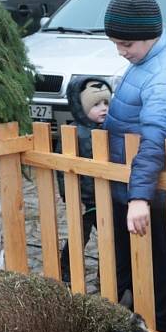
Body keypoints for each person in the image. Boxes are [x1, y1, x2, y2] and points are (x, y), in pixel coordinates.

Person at [103, 0, 166, 332]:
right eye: (116, 43)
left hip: (149, 194)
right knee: (132, 262)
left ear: (149, 35)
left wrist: (138, 196)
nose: (120, 51)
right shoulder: (147, 61)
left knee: (157, 266)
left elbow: (156, 138)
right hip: (132, 185)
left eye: (126, 44)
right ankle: (135, 323)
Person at [56, 77, 111, 286]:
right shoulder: (74, 133)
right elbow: (63, 168)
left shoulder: (108, 129)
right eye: (96, 104)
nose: (103, 108)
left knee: (109, 238)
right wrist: (67, 194)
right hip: (85, 198)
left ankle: (104, 273)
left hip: (106, 195)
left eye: (106, 103)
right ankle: (67, 269)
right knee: (79, 236)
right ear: (80, 106)